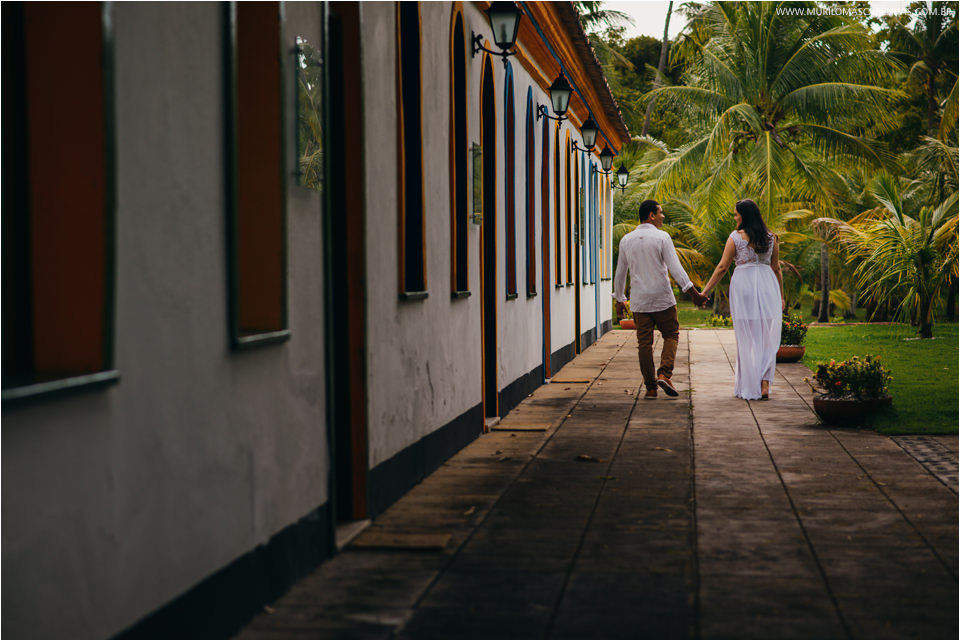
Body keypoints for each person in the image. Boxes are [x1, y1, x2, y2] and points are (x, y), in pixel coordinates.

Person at [614, 200, 707, 400]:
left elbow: (620, 272)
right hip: (662, 298)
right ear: (651, 215)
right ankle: (664, 374)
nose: (663, 216)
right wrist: (694, 294)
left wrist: (620, 299)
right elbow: (676, 268)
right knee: (671, 334)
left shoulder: (626, 240)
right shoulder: (662, 237)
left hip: (639, 302)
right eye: (660, 212)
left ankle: (650, 388)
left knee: (644, 344)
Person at [701, 199, 785, 400]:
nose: (735, 217)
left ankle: (750, 383)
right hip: (768, 286)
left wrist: (705, 291)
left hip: (744, 287)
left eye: (736, 214)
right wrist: (781, 297)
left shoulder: (735, 238)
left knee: (746, 336)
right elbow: (776, 269)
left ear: (744, 216)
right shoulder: (771, 238)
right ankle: (764, 383)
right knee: (766, 336)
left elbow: (722, 267)